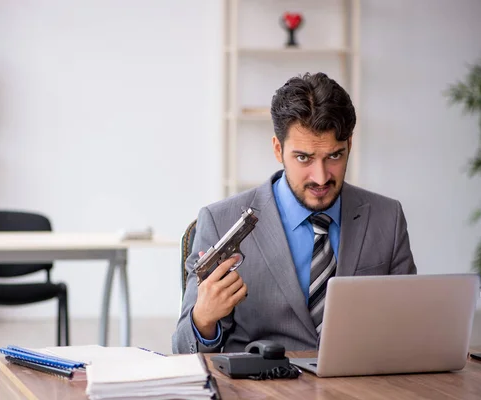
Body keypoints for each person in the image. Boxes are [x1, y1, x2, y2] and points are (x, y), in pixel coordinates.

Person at [172, 72, 417, 354]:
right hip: (263, 389)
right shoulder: (220, 222)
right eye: (304, 158)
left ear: (349, 145)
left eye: (334, 156)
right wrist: (203, 319)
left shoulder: (388, 217)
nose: (321, 177)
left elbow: (407, 327)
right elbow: (181, 350)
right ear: (278, 149)